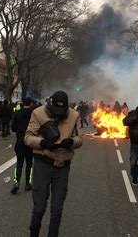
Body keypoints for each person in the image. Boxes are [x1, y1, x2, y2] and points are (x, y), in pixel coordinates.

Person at [25, 91, 83, 237]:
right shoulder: (38, 113)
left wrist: (72, 142)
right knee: (39, 207)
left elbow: (80, 138)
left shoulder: (74, 115)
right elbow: (28, 137)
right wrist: (43, 143)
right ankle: (33, 233)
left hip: (62, 165)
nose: (59, 114)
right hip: (42, 162)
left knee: (57, 208)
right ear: (50, 103)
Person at [10, 97, 34, 194]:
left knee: (19, 163)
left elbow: (13, 127)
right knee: (29, 163)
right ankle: (28, 183)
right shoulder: (34, 114)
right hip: (30, 140)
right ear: (31, 103)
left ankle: (16, 182)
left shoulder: (17, 113)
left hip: (20, 140)